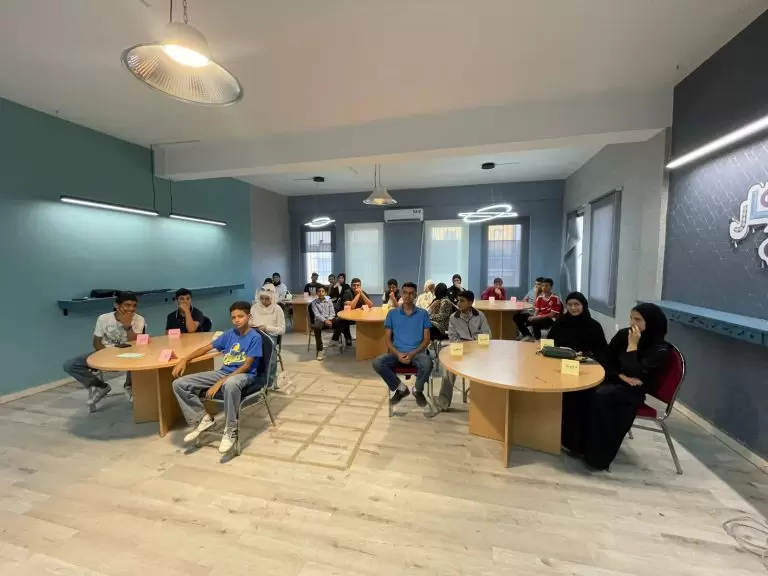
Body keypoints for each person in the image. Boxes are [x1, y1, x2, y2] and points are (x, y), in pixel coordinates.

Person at [562, 303, 671, 471]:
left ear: (651, 322)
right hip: (615, 379)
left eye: (638, 320)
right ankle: (575, 444)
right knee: (578, 389)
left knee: (600, 397)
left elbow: (637, 373)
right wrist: (620, 375)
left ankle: (595, 456)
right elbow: (606, 359)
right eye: (631, 318)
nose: (632, 323)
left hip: (633, 391)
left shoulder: (660, 349)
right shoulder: (623, 334)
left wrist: (632, 346)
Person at [172, 301, 266, 455]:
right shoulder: (229, 334)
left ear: (249, 317)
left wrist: (220, 382)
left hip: (244, 375)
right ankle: (202, 419)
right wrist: (185, 359)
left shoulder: (255, 337)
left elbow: (246, 366)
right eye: (233, 317)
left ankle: (231, 429)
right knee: (179, 384)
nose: (236, 320)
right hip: (223, 372)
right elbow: (206, 348)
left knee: (230, 384)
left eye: (240, 316)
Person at [62, 291, 145, 408]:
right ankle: (101, 387)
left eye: (134, 305)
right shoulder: (103, 318)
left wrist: (127, 326)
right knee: (70, 365)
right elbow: (97, 343)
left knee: (140, 360)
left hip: (130, 353)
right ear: (117, 305)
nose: (131, 309)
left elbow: (137, 344)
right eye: (127, 305)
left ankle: (129, 385)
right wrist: (108, 358)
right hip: (105, 352)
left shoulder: (139, 319)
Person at [427, 290, 491, 418]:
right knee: (448, 369)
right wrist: (463, 345)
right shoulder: (453, 317)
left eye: (462, 301)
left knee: (486, 367)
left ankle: (482, 401)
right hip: (460, 350)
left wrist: (474, 344)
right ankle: (443, 401)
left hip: (478, 351)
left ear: (470, 303)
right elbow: (452, 337)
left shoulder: (480, 316)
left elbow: (487, 335)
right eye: (458, 300)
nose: (458, 303)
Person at [372, 282, 433, 407]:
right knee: (377, 363)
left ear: (415, 295)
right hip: (397, 353)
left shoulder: (423, 314)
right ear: (401, 293)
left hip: (417, 353)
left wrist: (412, 353)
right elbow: (387, 340)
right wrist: (398, 354)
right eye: (405, 292)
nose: (407, 296)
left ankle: (417, 390)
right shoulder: (392, 314)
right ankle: (401, 389)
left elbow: (427, 340)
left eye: (411, 293)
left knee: (428, 363)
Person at [336, 277, 372, 346]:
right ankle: (348, 338)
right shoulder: (347, 292)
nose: (356, 287)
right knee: (343, 320)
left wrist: (361, 294)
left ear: (360, 286)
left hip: (360, 316)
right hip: (348, 317)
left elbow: (370, 305)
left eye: (358, 285)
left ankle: (365, 337)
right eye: (354, 285)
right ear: (351, 285)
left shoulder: (363, 292)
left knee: (369, 319)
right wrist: (358, 295)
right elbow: (351, 307)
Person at [310, 286, 340, 360]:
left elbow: (332, 313)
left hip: (329, 319)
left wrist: (329, 320)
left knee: (340, 321)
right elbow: (317, 315)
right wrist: (325, 320)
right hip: (320, 321)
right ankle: (320, 350)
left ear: (326, 293)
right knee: (316, 327)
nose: (321, 293)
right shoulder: (314, 303)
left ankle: (334, 339)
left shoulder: (329, 301)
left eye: (323, 291)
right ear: (317, 293)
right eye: (319, 291)